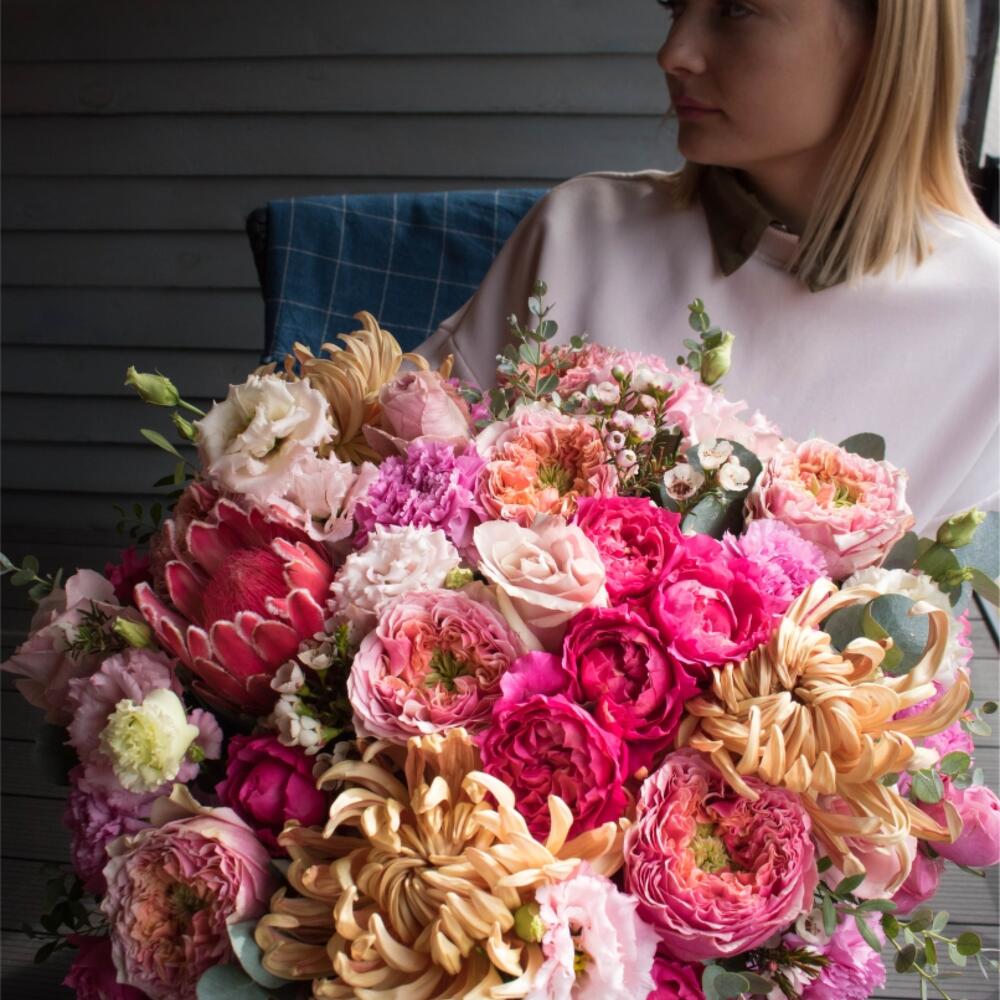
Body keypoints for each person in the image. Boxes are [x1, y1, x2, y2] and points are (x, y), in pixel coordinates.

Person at [416, 0, 1000, 531]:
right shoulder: (578, 232)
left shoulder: (988, 314)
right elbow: (407, 475)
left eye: (735, 10)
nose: (674, 53)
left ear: (882, 37)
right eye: (675, 7)